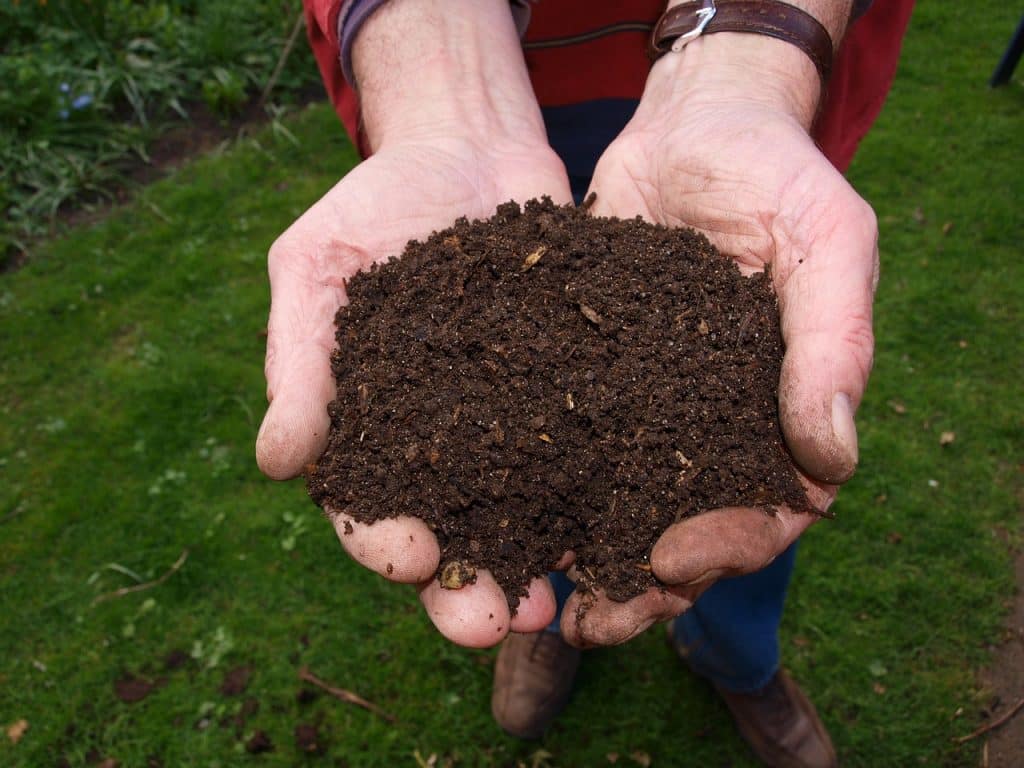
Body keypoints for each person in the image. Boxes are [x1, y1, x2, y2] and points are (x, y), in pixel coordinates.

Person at [256, 1, 914, 765]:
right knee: (552, 514)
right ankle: (549, 619)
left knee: (748, 475)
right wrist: (444, 83)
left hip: (754, 72)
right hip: (504, 69)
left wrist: (745, 61)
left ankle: (737, 660)